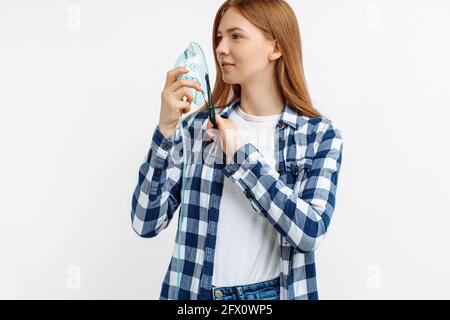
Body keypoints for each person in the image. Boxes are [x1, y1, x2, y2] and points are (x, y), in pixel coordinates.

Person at [131, 0, 344, 300]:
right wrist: (166, 130)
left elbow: (309, 232)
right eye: (219, 37)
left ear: (276, 48)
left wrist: (242, 155)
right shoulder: (197, 129)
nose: (220, 48)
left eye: (236, 36)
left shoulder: (319, 135)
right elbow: (145, 221)